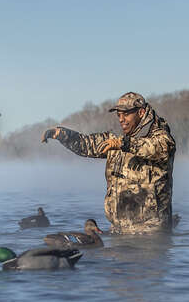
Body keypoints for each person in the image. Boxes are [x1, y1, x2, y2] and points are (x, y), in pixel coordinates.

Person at [41, 92, 175, 234]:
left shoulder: (159, 135)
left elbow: (160, 148)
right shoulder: (118, 137)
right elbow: (88, 144)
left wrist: (123, 143)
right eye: (118, 115)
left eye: (126, 114)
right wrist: (61, 134)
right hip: (119, 229)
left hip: (150, 233)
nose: (121, 119)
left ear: (141, 112)